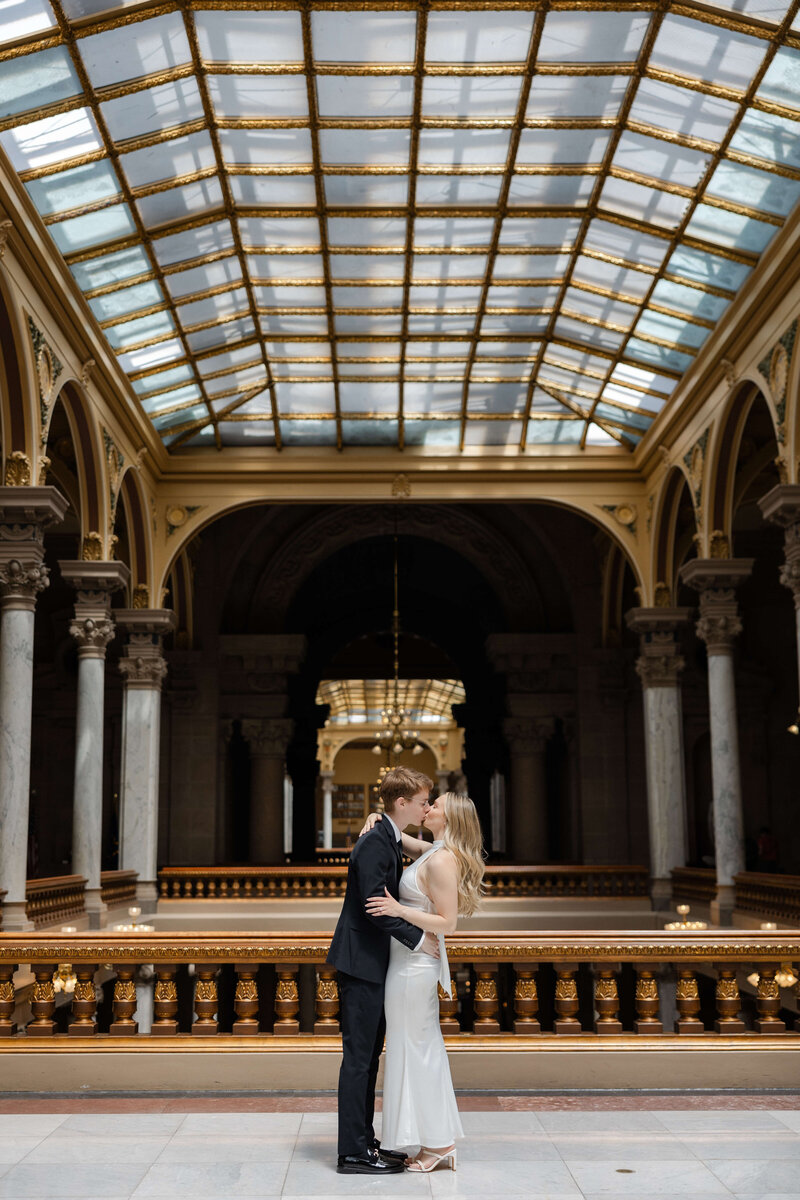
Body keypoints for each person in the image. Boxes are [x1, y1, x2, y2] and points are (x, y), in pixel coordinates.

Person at [362, 789, 485, 1173]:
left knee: (419, 1049)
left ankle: (439, 1143)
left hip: (415, 966)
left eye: (436, 806)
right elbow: (401, 836)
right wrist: (376, 819)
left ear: (448, 820)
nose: (428, 808)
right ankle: (434, 1140)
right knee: (412, 1047)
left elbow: (447, 923)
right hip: (406, 961)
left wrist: (397, 908)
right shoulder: (431, 850)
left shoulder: (443, 861)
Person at [326, 766, 439, 1176]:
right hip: (361, 965)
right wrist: (418, 938)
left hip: (371, 964)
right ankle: (353, 1152)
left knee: (369, 1057)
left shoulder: (386, 835)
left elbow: (433, 852)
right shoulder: (375, 842)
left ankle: (363, 1141)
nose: (427, 807)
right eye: (423, 801)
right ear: (402, 802)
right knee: (359, 1060)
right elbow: (376, 907)